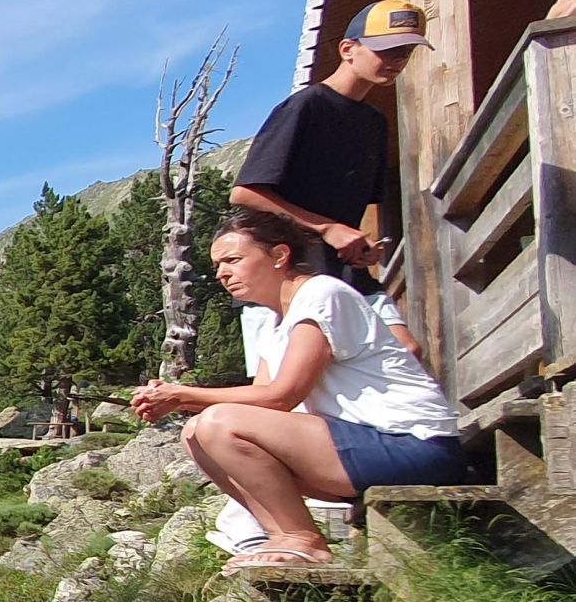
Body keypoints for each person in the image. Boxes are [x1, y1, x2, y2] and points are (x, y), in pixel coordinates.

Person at [132, 208, 465, 573]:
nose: (222, 273)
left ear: (279, 255)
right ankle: (281, 536)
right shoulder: (275, 323)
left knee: (217, 423)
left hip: (413, 444)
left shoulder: (322, 294)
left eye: (233, 260)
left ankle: (302, 539)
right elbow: (260, 403)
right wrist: (178, 402)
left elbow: (282, 396)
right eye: (217, 266)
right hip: (363, 447)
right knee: (196, 433)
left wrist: (184, 395)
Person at [231, 0, 428, 353]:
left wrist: (362, 247)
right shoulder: (306, 106)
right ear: (348, 49)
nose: (397, 60)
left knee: (406, 352)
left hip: (346, 273)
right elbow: (245, 194)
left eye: (405, 51)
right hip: (286, 275)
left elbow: (353, 213)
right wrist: (326, 229)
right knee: (294, 380)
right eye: (386, 49)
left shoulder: (375, 123)